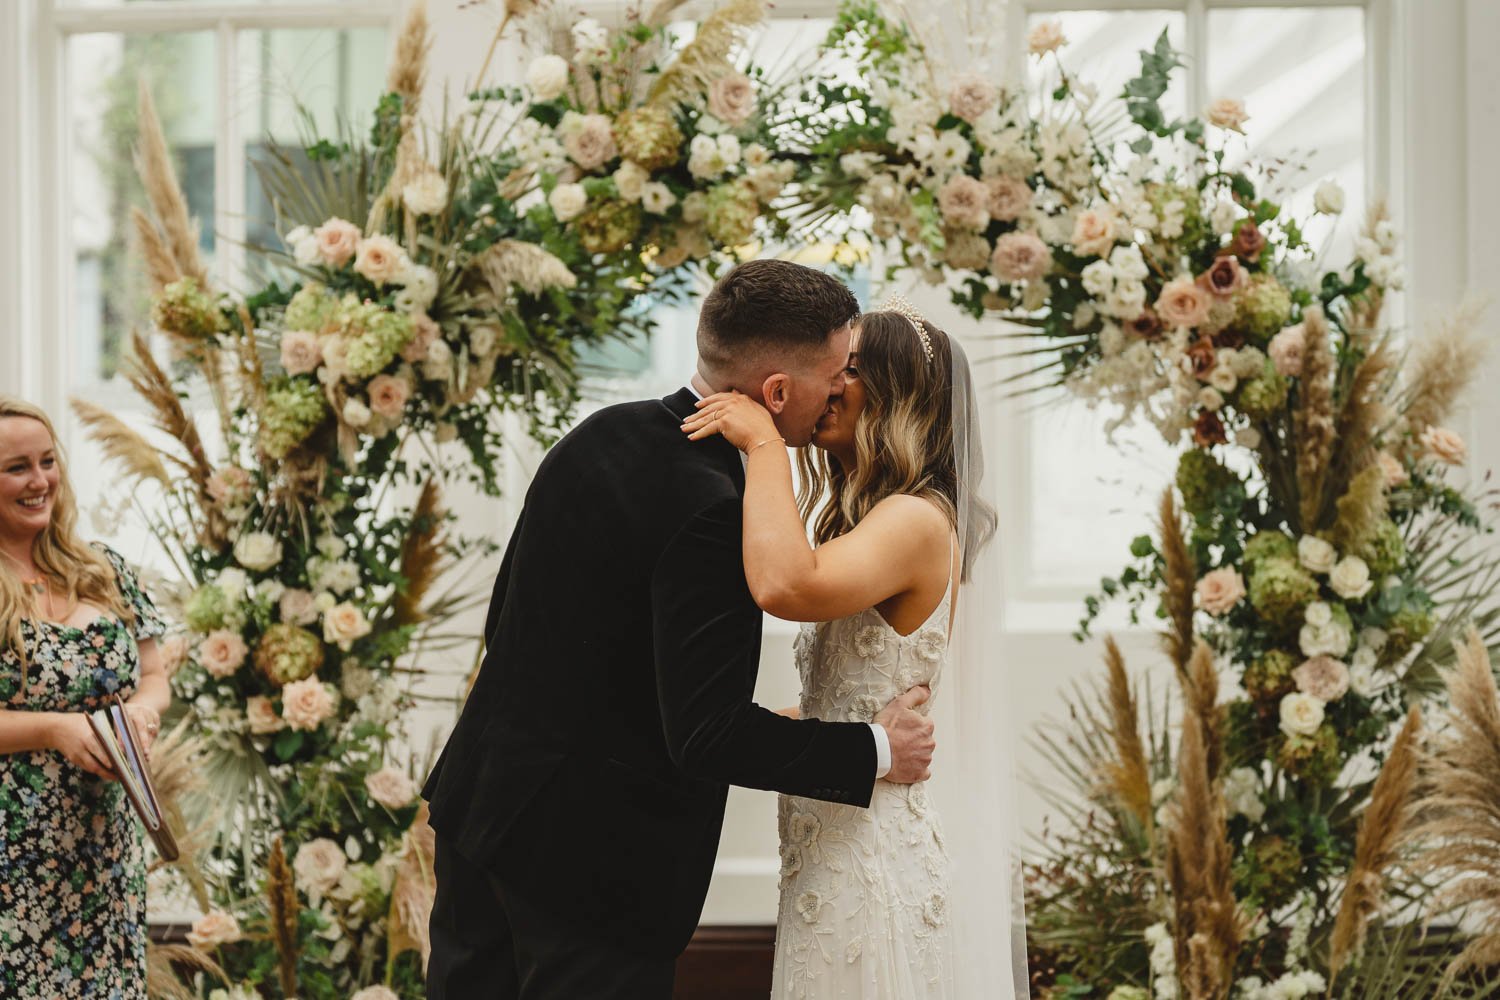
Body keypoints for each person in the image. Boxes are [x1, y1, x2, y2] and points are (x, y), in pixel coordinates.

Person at [422, 260, 939, 999]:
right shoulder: (716, 511)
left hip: (482, 814)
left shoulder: (599, 432)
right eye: (834, 374)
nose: (839, 393)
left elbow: (518, 625)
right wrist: (878, 749)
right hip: (591, 869)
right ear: (777, 393)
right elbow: (708, 736)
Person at [683, 301, 1029, 997]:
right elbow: (839, 704)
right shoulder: (874, 517)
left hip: (872, 864)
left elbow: (786, 584)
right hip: (832, 852)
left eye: (852, 368)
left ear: (902, 396)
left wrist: (762, 448)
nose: (830, 382)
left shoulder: (915, 518)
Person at [0, 396, 171, 999]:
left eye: (48, 461)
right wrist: (53, 730)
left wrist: (143, 712)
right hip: (13, 863)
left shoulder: (104, 567)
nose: (39, 480)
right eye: (16, 467)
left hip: (106, 856)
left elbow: (154, 675)